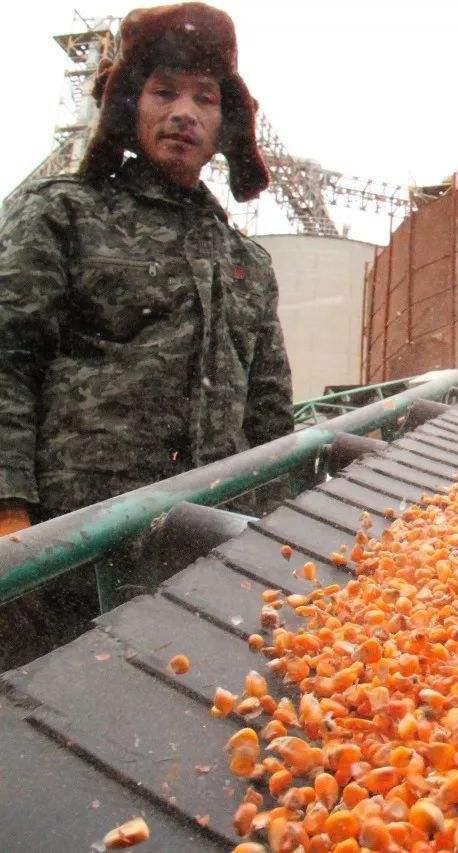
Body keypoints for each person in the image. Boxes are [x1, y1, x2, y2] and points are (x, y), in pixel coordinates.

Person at [0, 3, 293, 665]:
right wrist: (8, 512)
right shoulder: (65, 214)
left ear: (226, 125)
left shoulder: (247, 261)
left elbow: (271, 417)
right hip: (67, 555)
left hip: (205, 554)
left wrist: (277, 526)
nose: (184, 112)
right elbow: (7, 360)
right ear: (131, 105)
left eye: (205, 97)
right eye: (164, 92)